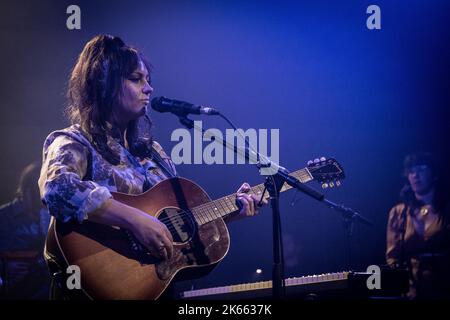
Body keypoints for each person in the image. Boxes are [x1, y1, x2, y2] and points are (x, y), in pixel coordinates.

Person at [38, 34, 266, 300]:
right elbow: (57, 189)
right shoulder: (73, 141)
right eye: (136, 79)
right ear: (104, 83)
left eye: (148, 80)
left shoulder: (153, 153)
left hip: (157, 288)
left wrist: (232, 211)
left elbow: (178, 225)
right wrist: (134, 219)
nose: (148, 88)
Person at [386, 152, 450, 299]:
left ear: (434, 174)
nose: (415, 175)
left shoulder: (446, 209)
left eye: (421, 169)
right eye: (411, 171)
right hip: (413, 291)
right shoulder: (399, 212)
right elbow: (392, 257)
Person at [0, 162, 51, 299]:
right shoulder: (3, 217)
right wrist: (4, 270)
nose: (40, 202)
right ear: (25, 189)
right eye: (36, 194)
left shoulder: (49, 215)